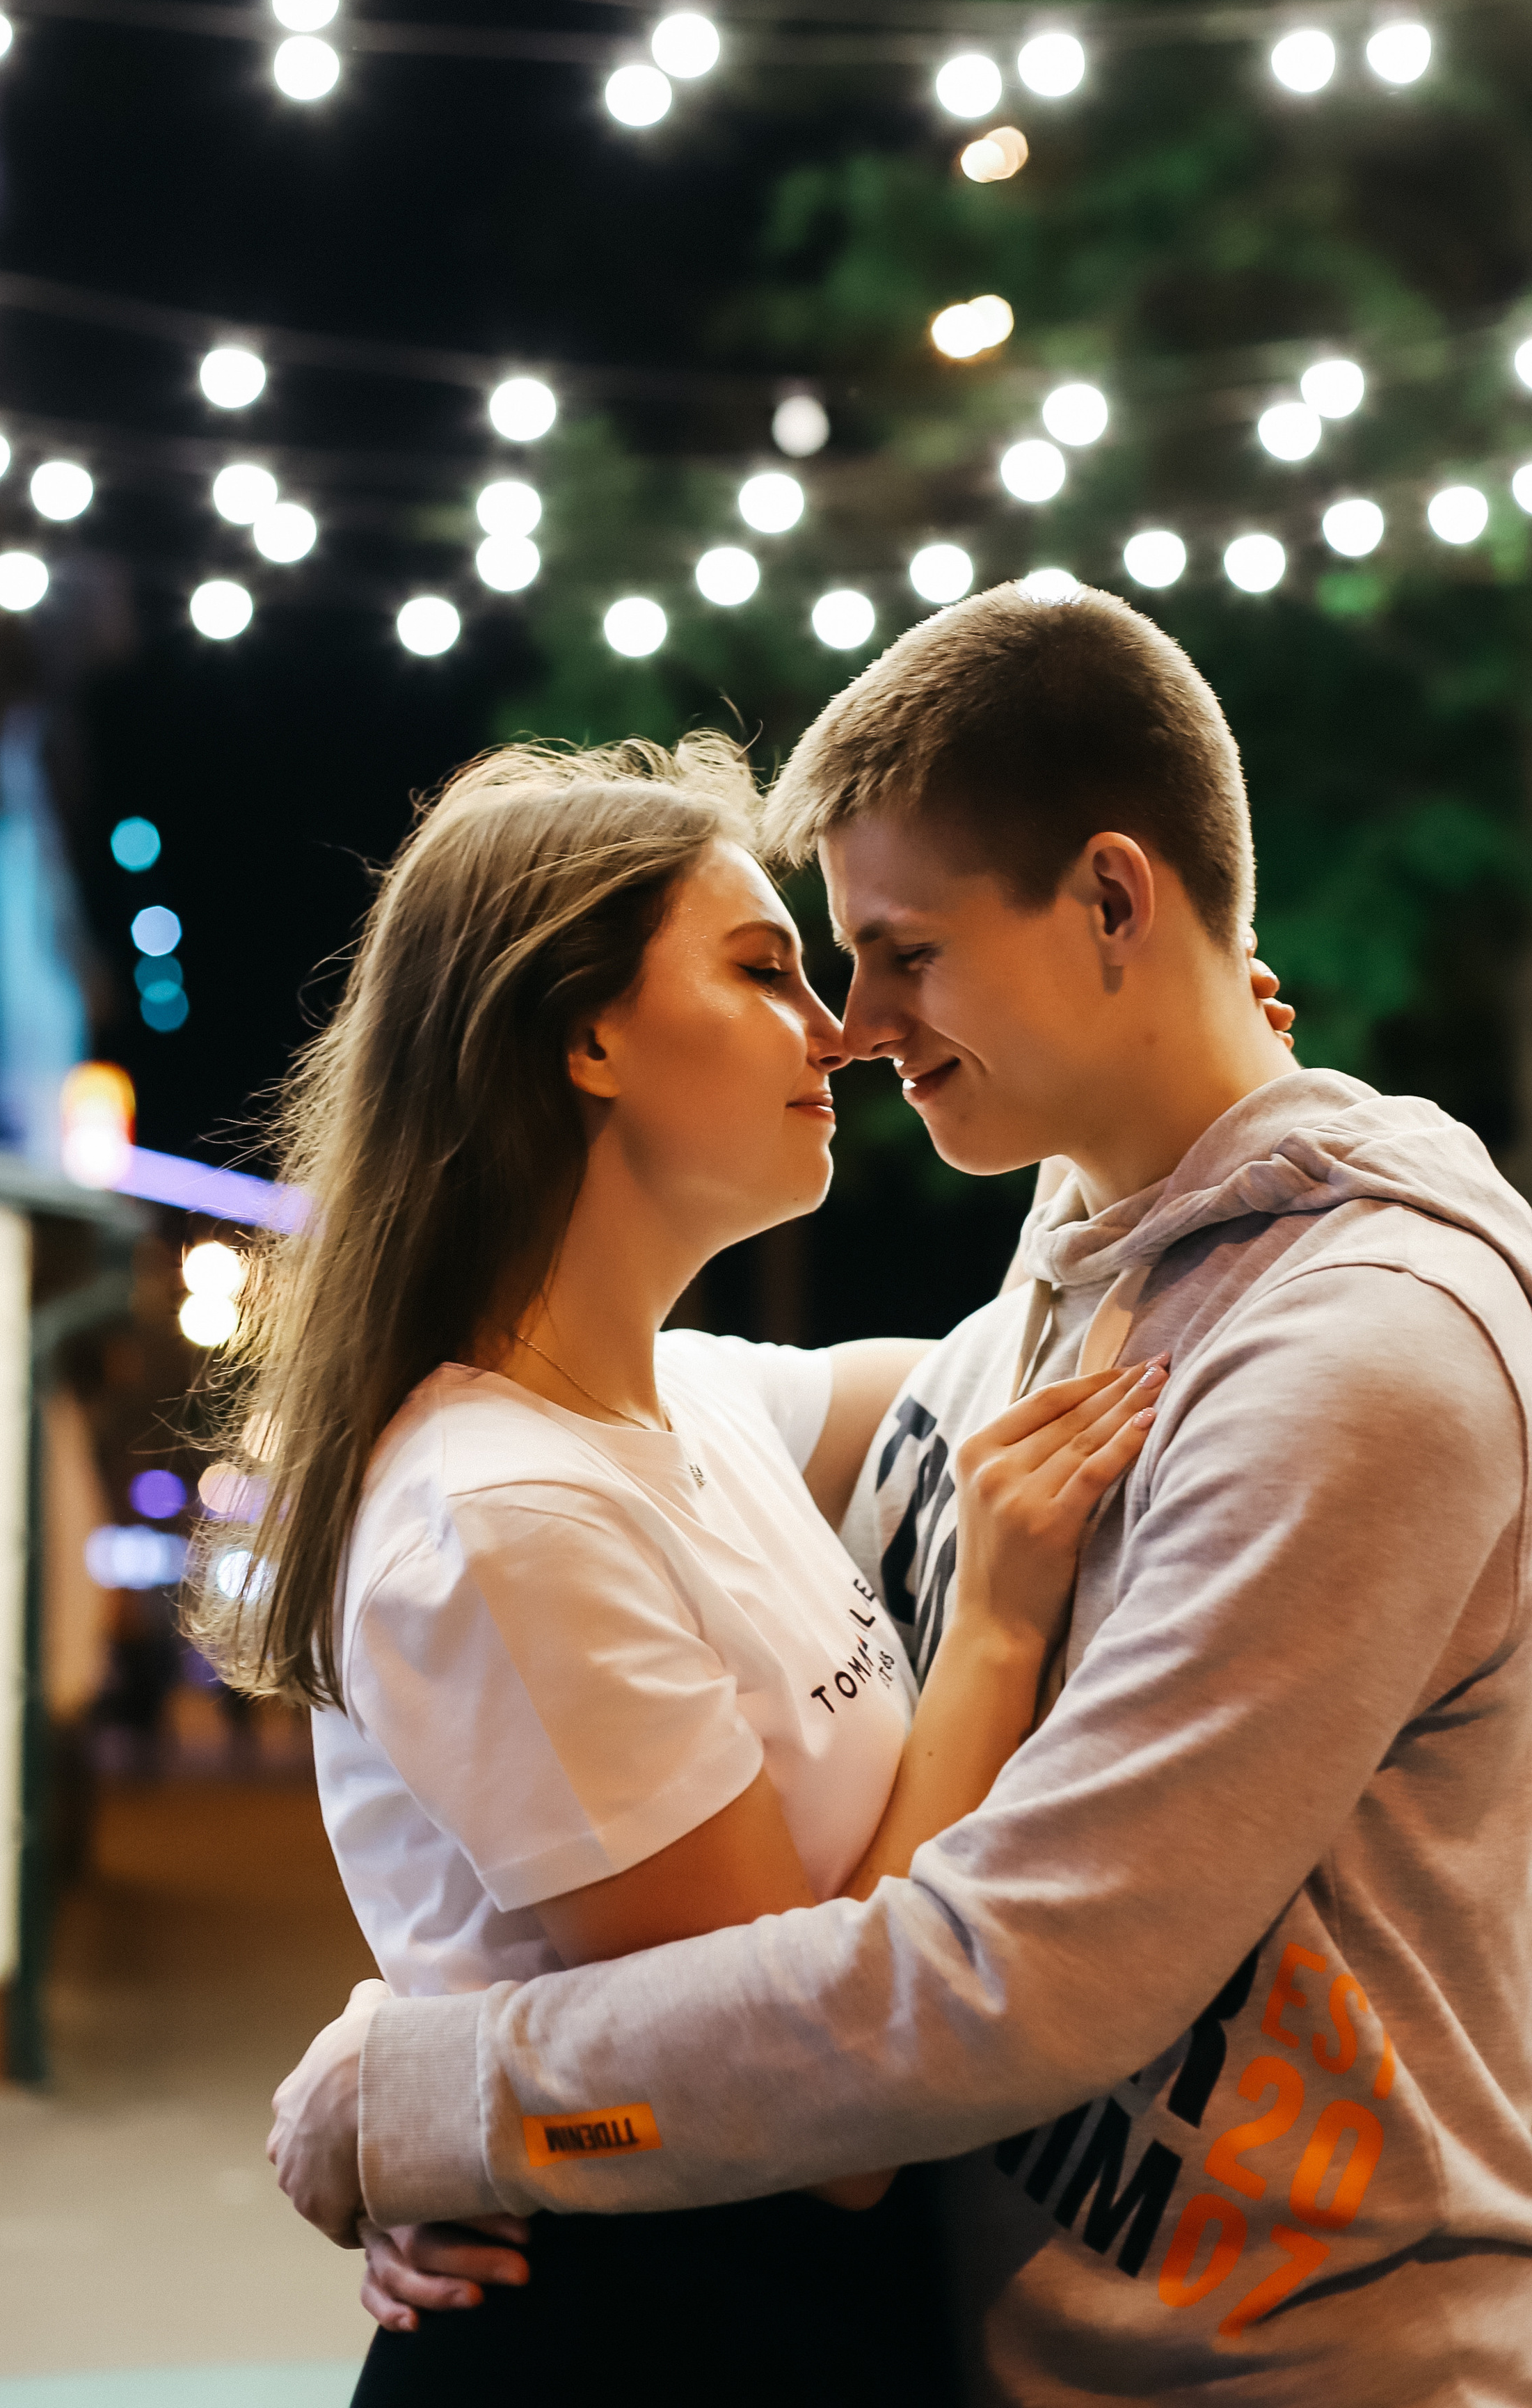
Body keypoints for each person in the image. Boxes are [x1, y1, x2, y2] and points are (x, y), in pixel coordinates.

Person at [268, 585, 1532, 2406]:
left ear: (1114, 904)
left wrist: (440, 2092)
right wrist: (473, 2049)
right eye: (794, 964)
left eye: (898, 953)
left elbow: (999, 1978)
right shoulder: (1053, 1303)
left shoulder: (1358, 1359)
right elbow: (563, 1597)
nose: (854, 1026)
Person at [191, 731, 1174, 2397]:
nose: (837, 1028)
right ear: (584, 1036)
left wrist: (1156, 1100)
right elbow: (827, 2085)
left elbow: (1032, 1360)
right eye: (762, 969)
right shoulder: (498, 1515)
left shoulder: (692, 1401)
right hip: (650, 2340)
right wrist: (995, 1628)